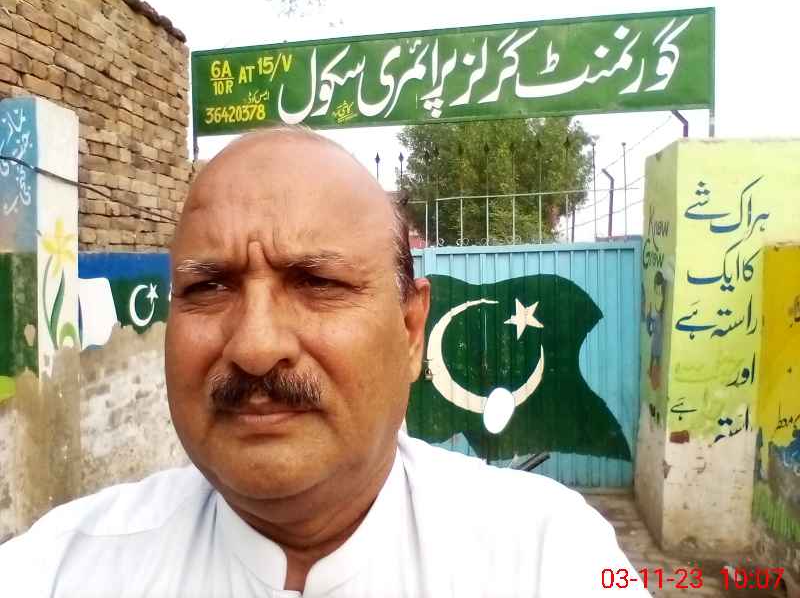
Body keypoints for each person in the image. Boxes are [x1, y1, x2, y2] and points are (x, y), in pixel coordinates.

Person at [0, 126, 649, 597]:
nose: (254, 346)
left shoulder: (547, 558)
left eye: (317, 282)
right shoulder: (59, 570)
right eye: (209, 286)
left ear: (411, 330)